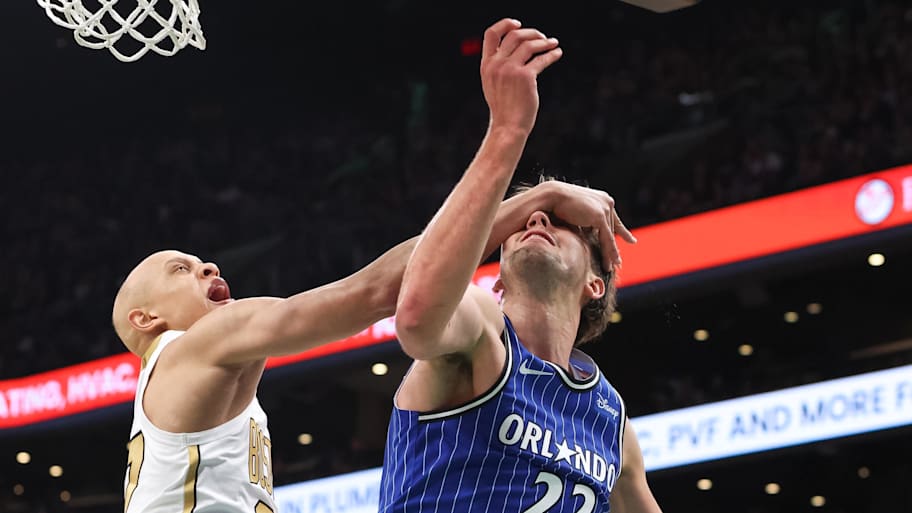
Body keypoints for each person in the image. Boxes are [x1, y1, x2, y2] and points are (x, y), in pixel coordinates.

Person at [110, 40, 620, 513]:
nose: (208, 266)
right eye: (180, 269)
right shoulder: (196, 346)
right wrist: (535, 196)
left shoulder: (200, 381)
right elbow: (376, 292)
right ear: (146, 318)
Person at [379, 17, 661, 513]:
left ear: (597, 283)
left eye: (560, 221)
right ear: (499, 261)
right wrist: (514, 139)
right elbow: (416, 314)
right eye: (521, 219)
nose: (535, 217)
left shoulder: (610, 419)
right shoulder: (477, 327)